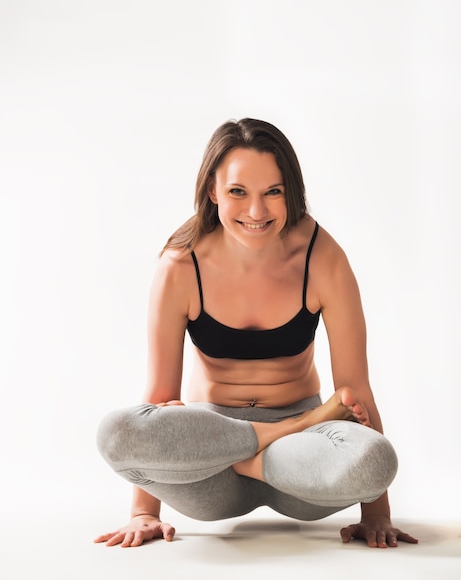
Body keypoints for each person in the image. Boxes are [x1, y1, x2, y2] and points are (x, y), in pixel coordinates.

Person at [95, 118, 418, 549]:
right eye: (238, 192)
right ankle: (280, 433)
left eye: (273, 192)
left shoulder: (322, 258)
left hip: (302, 460)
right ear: (212, 191)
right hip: (212, 450)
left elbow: (354, 389)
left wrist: (377, 514)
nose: (256, 212)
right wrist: (143, 513)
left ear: (291, 192)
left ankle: (271, 446)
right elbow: (158, 397)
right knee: (115, 432)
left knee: (378, 459)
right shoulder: (180, 265)